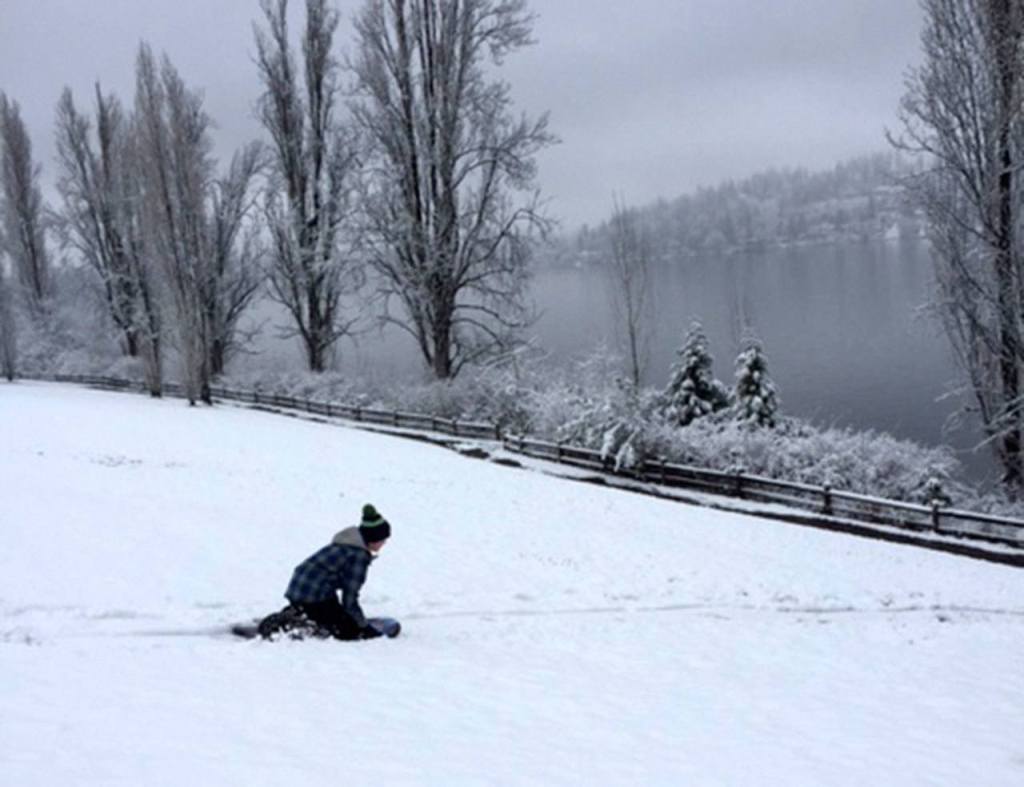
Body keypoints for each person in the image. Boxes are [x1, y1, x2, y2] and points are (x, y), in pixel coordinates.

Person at [272, 503, 392, 640]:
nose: (384, 543)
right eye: (383, 539)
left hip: (298, 589)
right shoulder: (358, 556)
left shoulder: (345, 544)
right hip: (313, 596)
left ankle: (300, 611)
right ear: (373, 539)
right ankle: (295, 621)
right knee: (348, 631)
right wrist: (364, 627)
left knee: (336, 613)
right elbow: (350, 598)